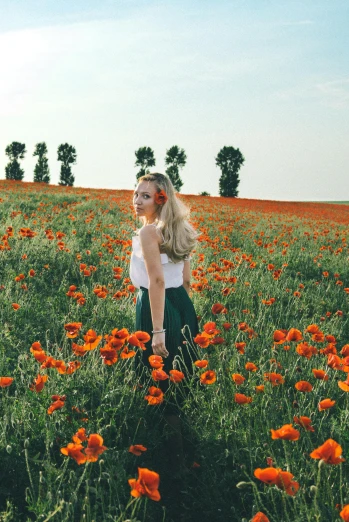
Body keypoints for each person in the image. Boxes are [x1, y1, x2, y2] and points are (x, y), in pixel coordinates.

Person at [129, 172, 200, 484]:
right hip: (182, 306)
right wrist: (179, 313)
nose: (137, 201)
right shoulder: (180, 229)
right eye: (136, 194)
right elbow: (185, 280)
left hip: (156, 308)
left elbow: (156, 281)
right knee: (176, 380)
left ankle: (167, 461)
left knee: (157, 381)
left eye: (146, 196)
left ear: (161, 199)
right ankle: (180, 456)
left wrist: (157, 330)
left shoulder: (149, 234)